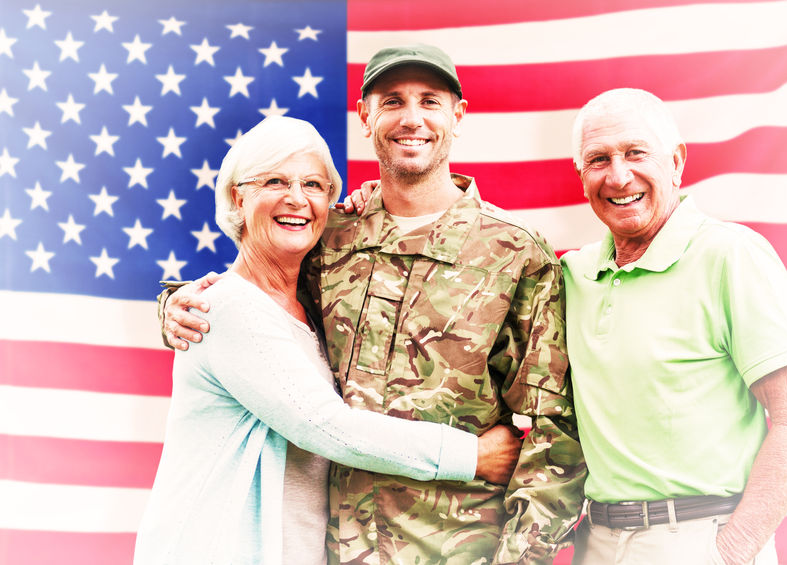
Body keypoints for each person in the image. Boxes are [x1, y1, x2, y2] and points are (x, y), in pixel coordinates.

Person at [161, 45, 586, 563]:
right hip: (336, 551)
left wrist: (521, 558)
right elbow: (258, 301)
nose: (412, 118)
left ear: (458, 115)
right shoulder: (327, 240)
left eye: (429, 101)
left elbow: (555, 430)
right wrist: (175, 303)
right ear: (365, 116)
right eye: (392, 101)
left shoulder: (514, 253)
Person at [135, 115, 523, 565]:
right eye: (275, 181)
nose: (297, 198)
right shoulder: (225, 308)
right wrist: (473, 455)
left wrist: (373, 205)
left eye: (314, 185)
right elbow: (327, 427)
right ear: (238, 198)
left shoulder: (312, 302)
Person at [562, 88, 787, 564]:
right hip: (596, 541)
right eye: (599, 159)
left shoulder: (730, 255)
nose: (618, 176)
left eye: (636, 153)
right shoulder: (574, 274)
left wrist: (731, 552)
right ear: (581, 176)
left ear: (676, 161)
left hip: (700, 538)